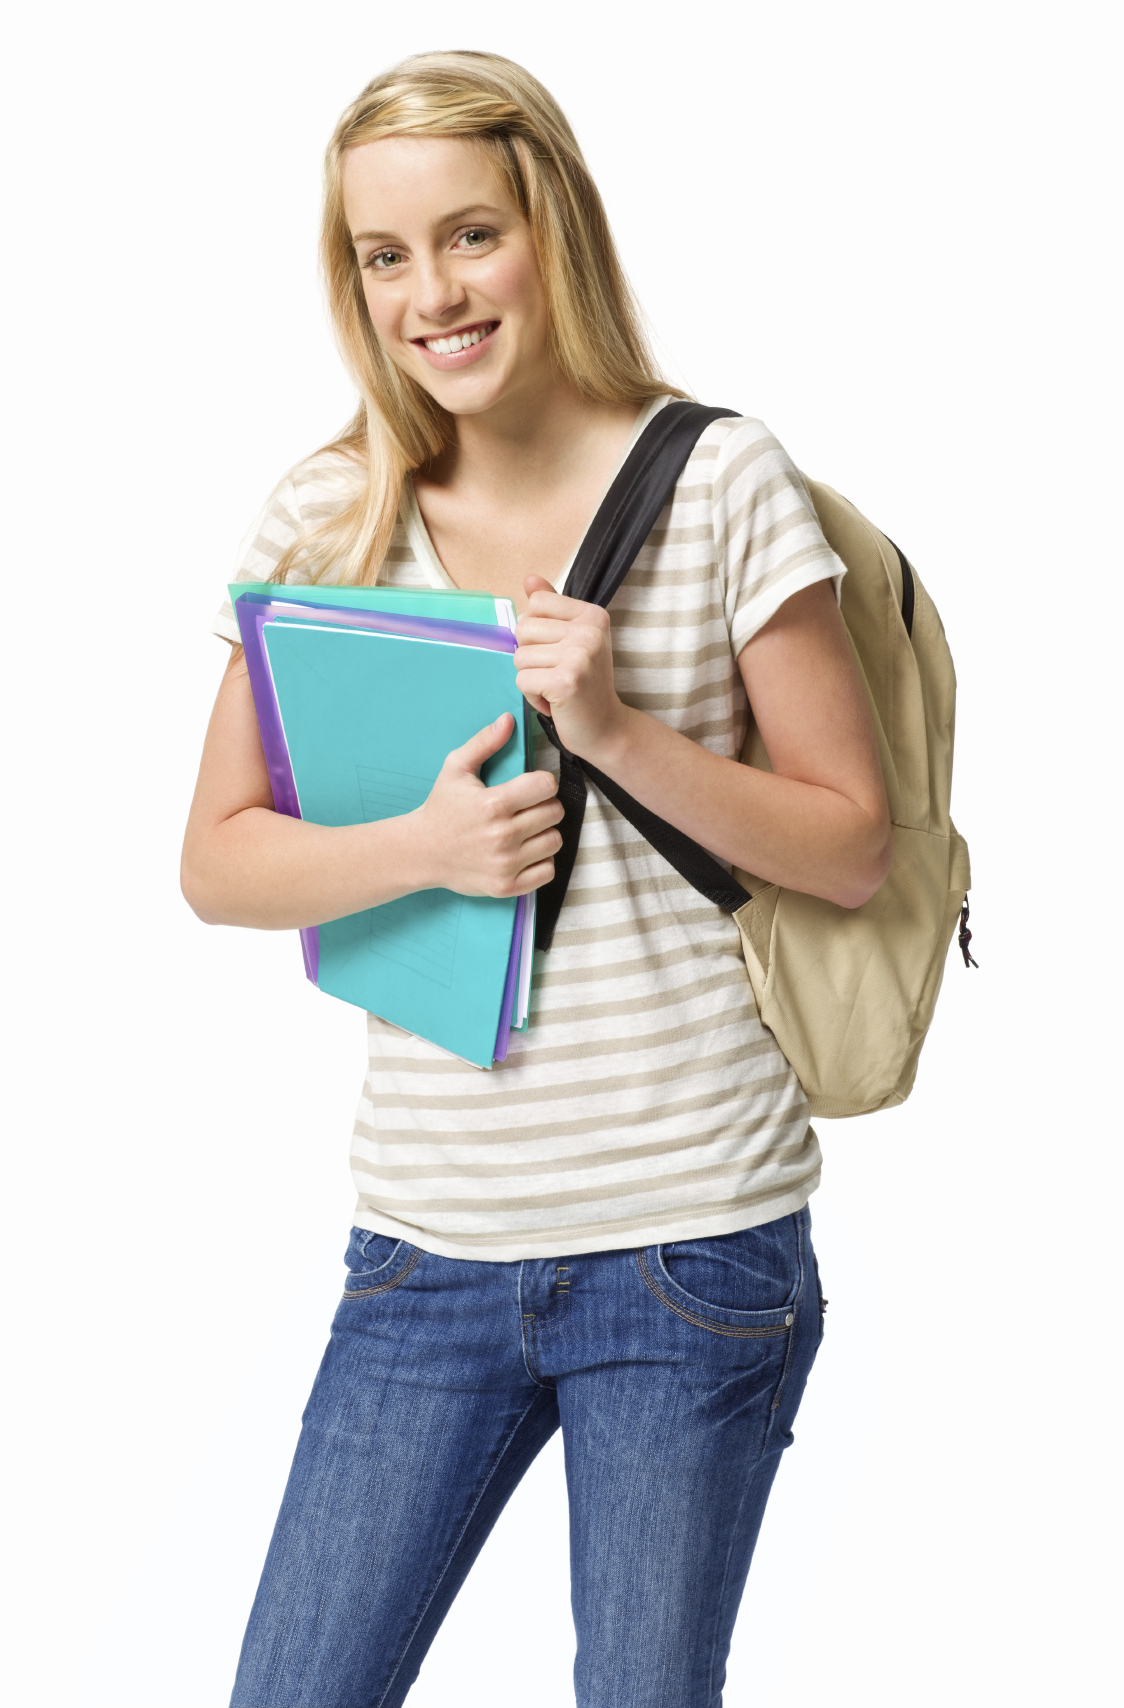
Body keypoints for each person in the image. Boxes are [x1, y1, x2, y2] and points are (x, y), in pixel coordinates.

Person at [181, 49, 891, 1708]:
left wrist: (623, 730)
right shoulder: (333, 512)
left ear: (549, 225)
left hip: (691, 1251)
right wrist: (419, 853)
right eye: (385, 254)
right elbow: (215, 861)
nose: (434, 291)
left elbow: (850, 841)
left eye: (471, 234)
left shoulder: (722, 480)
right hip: (425, 1248)